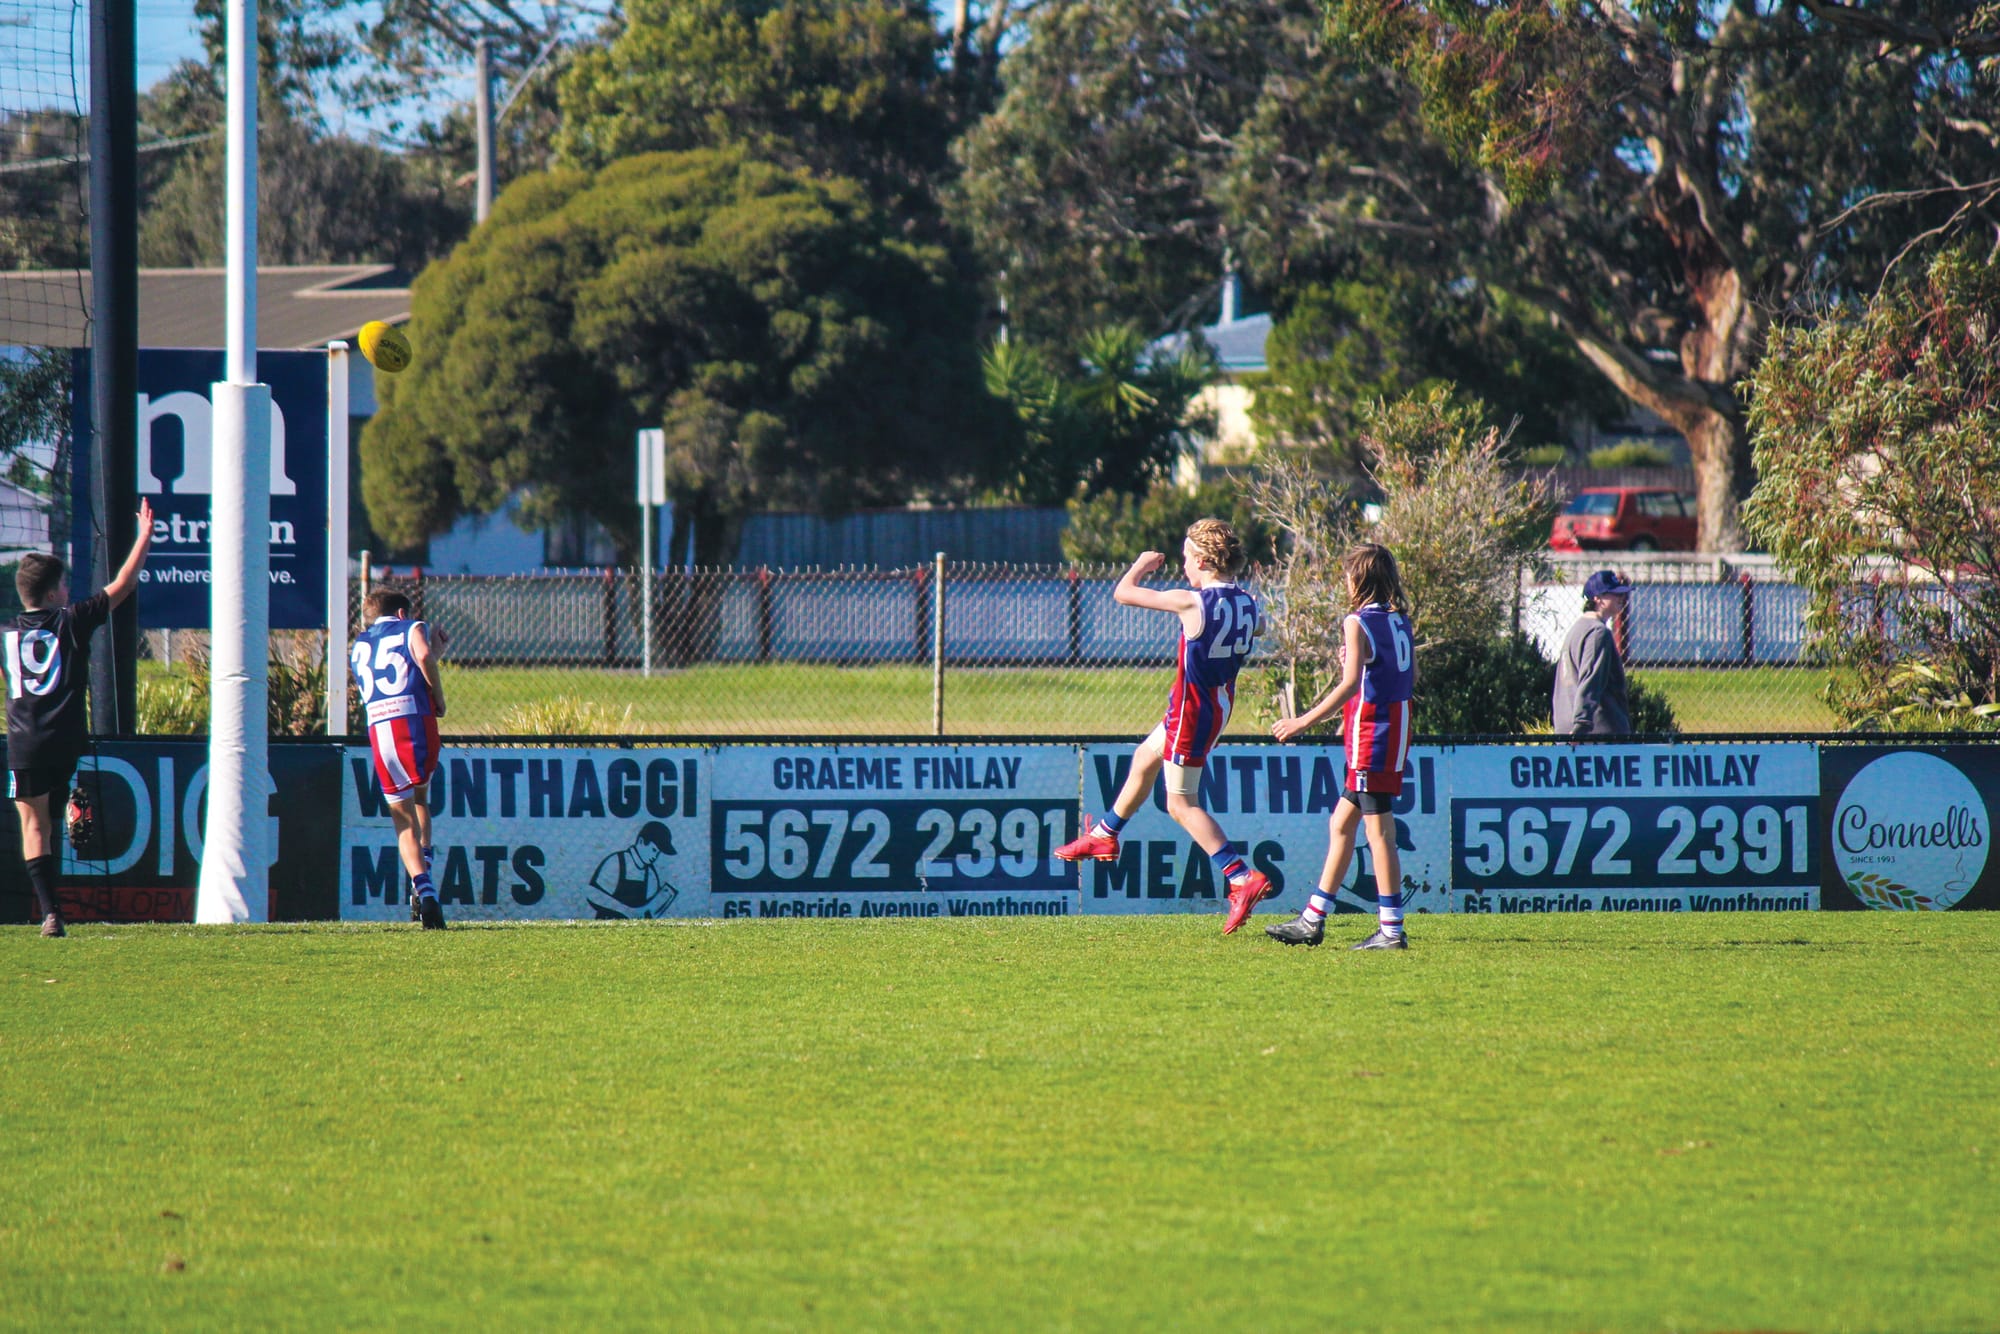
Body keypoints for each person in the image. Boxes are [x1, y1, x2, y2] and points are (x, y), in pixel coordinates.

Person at [1055, 518, 1273, 933]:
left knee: (1180, 804)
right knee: (1144, 758)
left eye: (1188, 558)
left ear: (1206, 560)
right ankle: (1105, 832)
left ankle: (1241, 877)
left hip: (1194, 711)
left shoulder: (1192, 602)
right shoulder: (1249, 603)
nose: (1184, 566)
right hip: (1211, 703)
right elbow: (1257, 626)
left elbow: (1123, 593)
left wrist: (1139, 565)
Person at [5, 501, 155, 937]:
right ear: (52, 592)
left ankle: (51, 912)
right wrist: (144, 535)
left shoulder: (7, 637)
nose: (68, 591)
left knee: (33, 825)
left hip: (26, 742)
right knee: (52, 814)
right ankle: (66, 800)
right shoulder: (71, 621)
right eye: (64, 585)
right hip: (68, 739)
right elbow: (123, 585)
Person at [1266, 542, 1416, 950]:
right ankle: (1312, 919)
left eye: (1349, 573)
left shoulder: (1357, 621)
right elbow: (1391, 676)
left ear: (1360, 579)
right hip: (1391, 729)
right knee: (1341, 824)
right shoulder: (1399, 619)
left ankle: (1391, 930)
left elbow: (1352, 683)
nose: (1345, 580)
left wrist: (1302, 722)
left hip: (1374, 734)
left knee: (1379, 832)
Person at [351, 587, 448, 930]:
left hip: (379, 730)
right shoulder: (411, 627)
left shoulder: (359, 645)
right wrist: (439, 698)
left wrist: (432, 654)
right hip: (413, 725)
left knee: (401, 819)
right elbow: (421, 657)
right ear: (402, 613)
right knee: (420, 796)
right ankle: (426, 885)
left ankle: (422, 889)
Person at [1554, 569, 1632, 736]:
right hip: (1597, 732)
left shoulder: (1576, 629)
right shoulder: (1598, 632)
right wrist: (1582, 722)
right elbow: (1591, 678)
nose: (1621, 598)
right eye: (1614, 594)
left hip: (1567, 727)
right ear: (1597, 598)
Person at [584, 822, 680, 919]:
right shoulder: (617, 861)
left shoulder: (651, 874)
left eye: (658, 853)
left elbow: (649, 910)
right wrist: (625, 911)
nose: (655, 856)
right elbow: (593, 892)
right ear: (641, 842)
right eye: (654, 850)